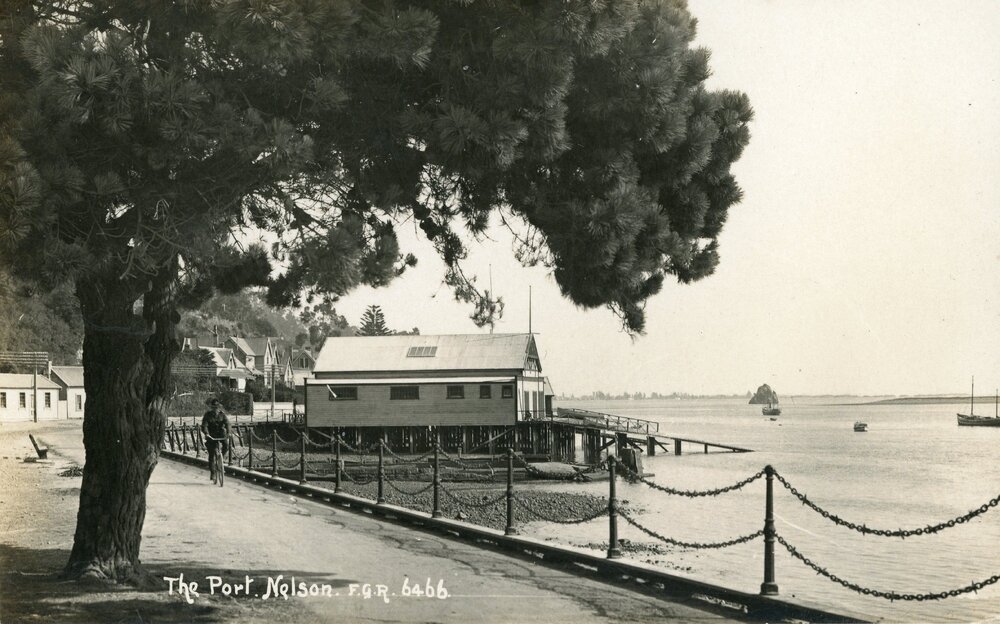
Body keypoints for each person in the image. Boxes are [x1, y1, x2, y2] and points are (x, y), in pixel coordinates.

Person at [200, 398, 231, 479]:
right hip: (211, 435)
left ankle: (221, 459)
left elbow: (227, 423)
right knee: (212, 453)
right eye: (213, 407)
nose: (215, 409)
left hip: (221, 434)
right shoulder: (207, 415)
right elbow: (204, 425)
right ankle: (213, 473)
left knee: (226, 445)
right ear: (211, 408)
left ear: (219, 408)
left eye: (217, 407)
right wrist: (206, 433)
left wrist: (228, 432)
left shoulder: (222, 415)